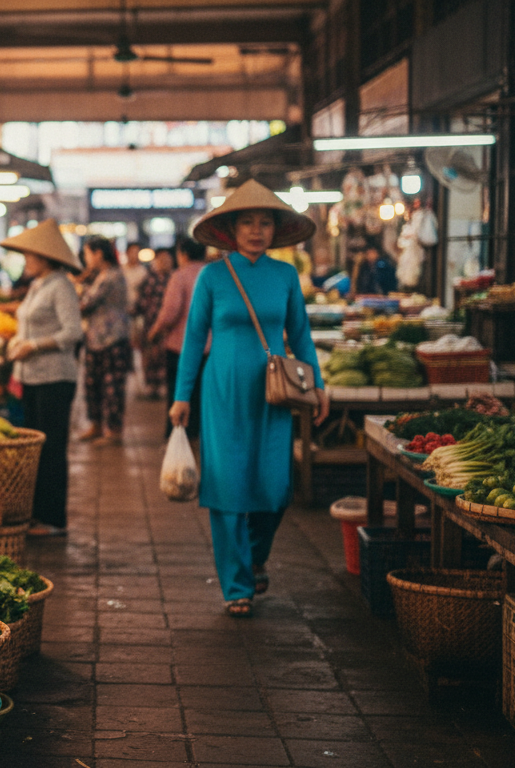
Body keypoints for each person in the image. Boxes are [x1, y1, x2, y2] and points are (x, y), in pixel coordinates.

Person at [170, 179, 329, 618]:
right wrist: (182, 395)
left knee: (274, 488)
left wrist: (316, 383)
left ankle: (256, 556)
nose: (256, 230)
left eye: (264, 222)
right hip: (221, 392)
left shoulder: (284, 276)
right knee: (226, 486)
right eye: (247, 223)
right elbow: (194, 338)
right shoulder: (212, 277)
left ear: (276, 230)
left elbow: (299, 333)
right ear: (231, 230)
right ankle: (236, 584)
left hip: (274, 394)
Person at [0, 220, 84, 537]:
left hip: (54, 378)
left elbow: (72, 332)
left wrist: (33, 346)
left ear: (45, 257)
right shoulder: (39, 284)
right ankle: (35, 514)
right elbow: (29, 325)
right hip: (32, 378)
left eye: (29, 256)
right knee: (35, 448)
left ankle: (53, 520)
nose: (26, 260)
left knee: (51, 449)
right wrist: (16, 342)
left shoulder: (61, 286)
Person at [150, 236, 208, 439]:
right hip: (211, 349)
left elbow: (170, 312)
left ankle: (179, 437)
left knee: (180, 395)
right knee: (203, 396)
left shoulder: (180, 276)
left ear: (182, 254)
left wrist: (154, 332)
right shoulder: (213, 275)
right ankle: (200, 437)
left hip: (180, 347)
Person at [78, 236, 132, 446]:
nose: (86, 258)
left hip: (113, 339)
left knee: (112, 387)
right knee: (93, 385)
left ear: (98, 253)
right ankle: (97, 425)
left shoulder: (112, 277)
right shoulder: (101, 275)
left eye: (87, 253)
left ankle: (114, 432)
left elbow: (87, 304)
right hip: (96, 339)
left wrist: (78, 287)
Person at [132, 248, 174, 399]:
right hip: (150, 325)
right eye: (161, 260)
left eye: (167, 260)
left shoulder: (174, 278)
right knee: (150, 357)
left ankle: (162, 386)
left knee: (164, 357)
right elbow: (140, 303)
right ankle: (151, 386)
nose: (164, 263)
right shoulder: (149, 280)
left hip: (170, 328)